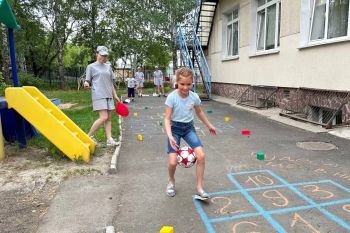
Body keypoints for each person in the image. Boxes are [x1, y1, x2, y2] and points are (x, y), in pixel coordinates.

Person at [164, 67, 217, 199]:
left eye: (189, 84)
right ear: (177, 82)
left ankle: (199, 187)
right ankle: (171, 181)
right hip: (174, 129)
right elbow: (166, 118)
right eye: (182, 84)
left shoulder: (194, 97)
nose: (186, 87)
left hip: (188, 128)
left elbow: (199, 112)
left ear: (192, 83)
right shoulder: (172, 97)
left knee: (201, 156)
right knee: (172, 162)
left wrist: (209, 125)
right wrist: (170, 136)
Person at [84, 45, 120, 146]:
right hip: (98, 94)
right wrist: (86, 84)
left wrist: (115, 96)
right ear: (97, 54)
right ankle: (88, 136)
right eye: (101, 55)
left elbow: (110, 83)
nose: (103, 58)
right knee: (103, 117)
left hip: (109, 95)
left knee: (108, 118)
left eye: (105, 56)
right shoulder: (90, 67)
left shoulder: (108, 67)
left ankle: (109, 139)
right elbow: (87, 80)